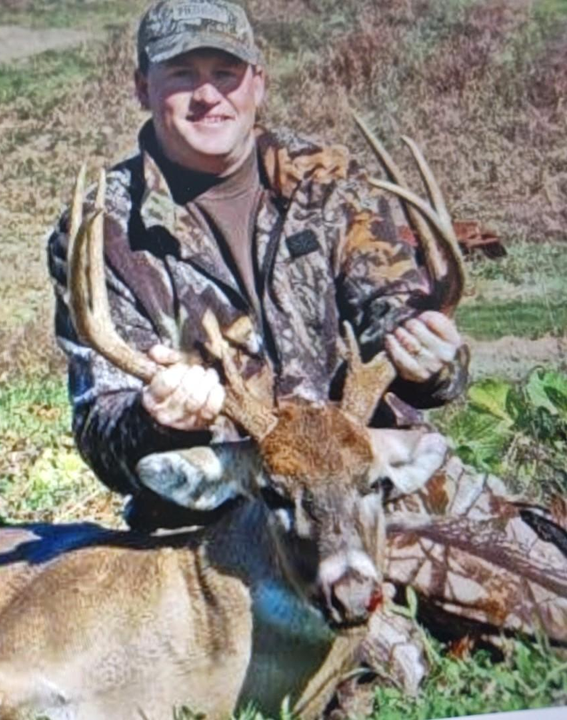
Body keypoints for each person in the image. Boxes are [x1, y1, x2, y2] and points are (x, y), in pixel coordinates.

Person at [47, 0, 467, 532]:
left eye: (226, 73)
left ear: (258, 84)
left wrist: (434, 360)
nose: (207, 95)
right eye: (182, 74)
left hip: (375, 489)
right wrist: (154, 418)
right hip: (220, 517)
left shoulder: (331, 185)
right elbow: (100, 429)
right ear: (142, 87)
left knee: (542, 566)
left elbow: (400, 319)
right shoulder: (103, 232)